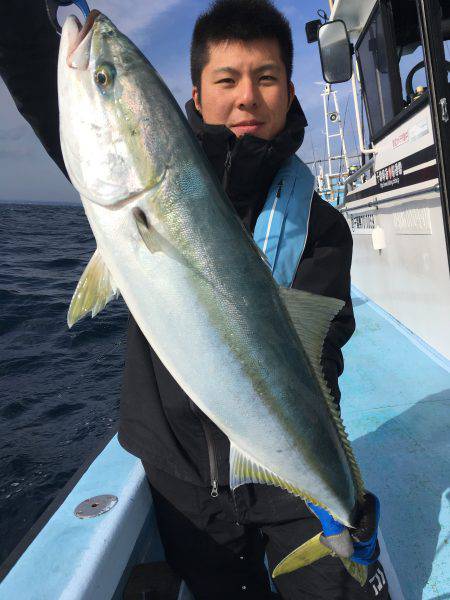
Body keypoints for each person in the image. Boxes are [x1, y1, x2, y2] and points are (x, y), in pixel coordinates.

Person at [0, 0, 390, 598]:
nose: (246, 98)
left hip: (290, 486)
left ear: (290, 89)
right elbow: (32, 64)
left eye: (266, 79)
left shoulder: (322, 226)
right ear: (198, 94)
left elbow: (319, 357)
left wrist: (340, 488)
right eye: (226, 80)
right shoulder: (133, 170)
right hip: (182, 480)